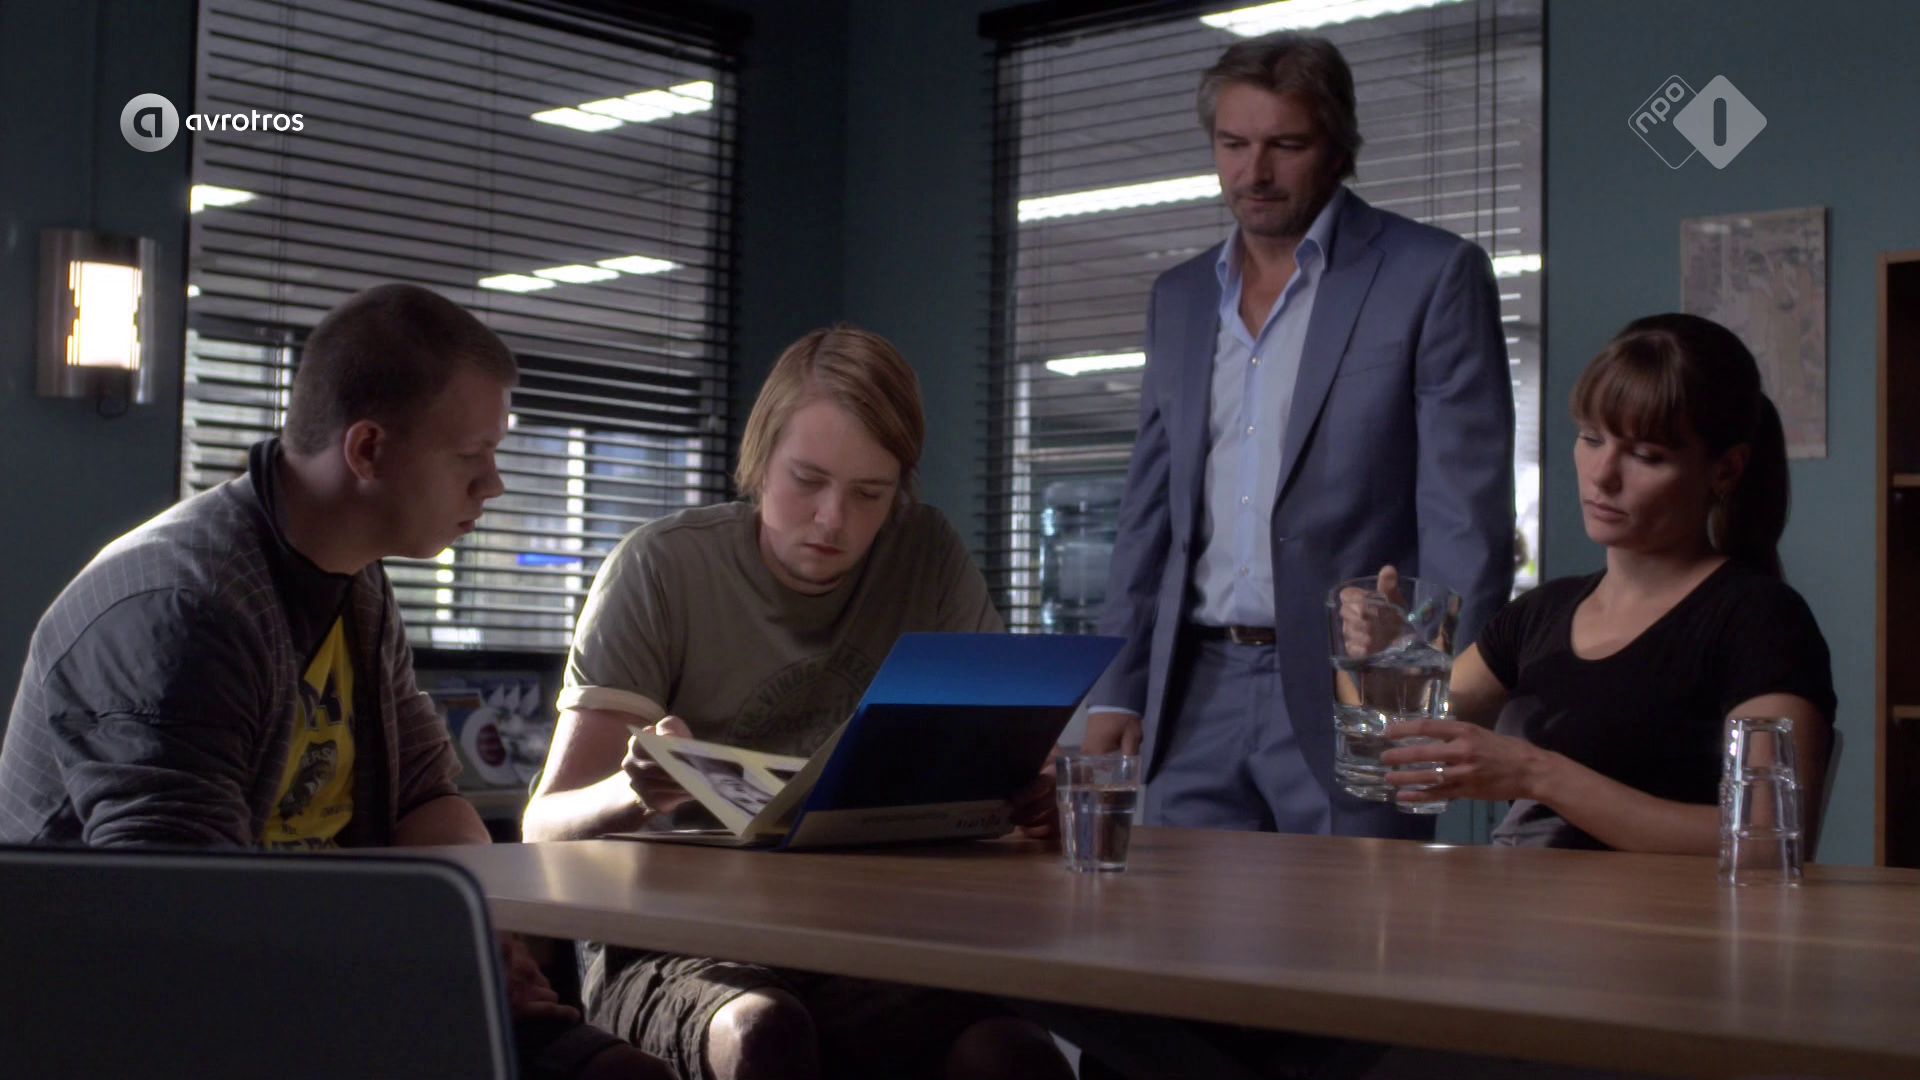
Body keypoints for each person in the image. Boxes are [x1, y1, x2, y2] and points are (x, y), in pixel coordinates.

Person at [0, 283, 671, 1080]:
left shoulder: (354, 581)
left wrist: (474, 937)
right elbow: (181, 934)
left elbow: (427, 800)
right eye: (472, 457)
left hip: (338, 969)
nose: (493, 485)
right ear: (367, 450)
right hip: (156, 1014)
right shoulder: (181, 611)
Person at [521, 326, 1071, 1080]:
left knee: (1012, 1055)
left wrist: (1035, 797)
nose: (833, 519)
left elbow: (1010, 765)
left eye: (870, 494)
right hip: (678, 939)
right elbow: (543, 827)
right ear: (759, 458)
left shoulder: (926, 555)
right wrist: (634, 789)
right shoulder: (659, 568)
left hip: (863, 938)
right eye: (807, 480)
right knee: (763, 1034)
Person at [1083, 32, 1515, 841]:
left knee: (1354, 921)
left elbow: (1466, 517)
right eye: (1233, 144)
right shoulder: (1179, 297)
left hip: (1356, 686)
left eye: (1285, 145)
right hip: (1194, 691)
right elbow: (1148, 514)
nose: (1254, 172)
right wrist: (1116, 688)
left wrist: (1433, 694)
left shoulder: (1431, 275)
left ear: (1338, 150)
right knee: (1178, 920)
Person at [1364, 313, 1835, 851]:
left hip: (1655, 909)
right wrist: (1393, 659)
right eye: (1591, 438)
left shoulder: (1759, 620)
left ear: (1725, 469)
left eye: (1646, 455)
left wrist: (1538, 774)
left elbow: (1768, 840)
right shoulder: (1540, 615)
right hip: (1521, 900)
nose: (1603, 475)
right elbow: (1402, 736)